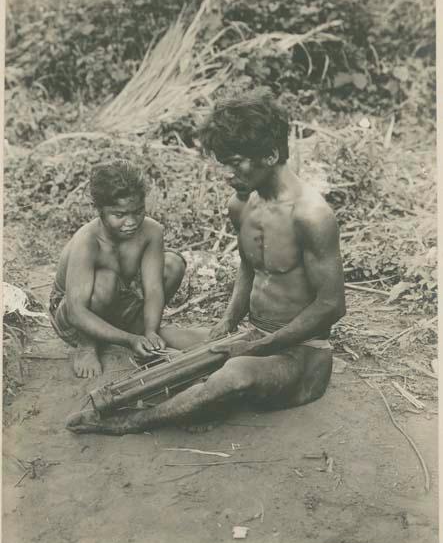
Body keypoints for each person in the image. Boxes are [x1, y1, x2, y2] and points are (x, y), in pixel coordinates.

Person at [66, 90, 346, 434]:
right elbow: (249, 268)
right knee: (158, 336)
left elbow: (332, 305)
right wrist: (226, 325)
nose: (227, 173)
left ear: (271, 154)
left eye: (236, 161)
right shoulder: (242, 205)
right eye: (223, 162)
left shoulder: (312, 216)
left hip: (300, 354)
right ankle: (147, 397)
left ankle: (129, 422)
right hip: (252, 336)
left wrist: (262, 345)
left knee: (234, 374)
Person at [49, 159, 186, 378]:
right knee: (105, 281)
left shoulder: (151, 231)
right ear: (100, 211)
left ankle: (140, 332)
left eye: (138, 211)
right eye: (119, 215)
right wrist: (129, 340)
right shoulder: (87, 241)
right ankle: (87, 345)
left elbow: (153, 288)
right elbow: (76, 311)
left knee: (173, 264)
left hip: (117, 301)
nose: (131, 222)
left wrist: (150, 330)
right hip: (72, 314)